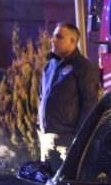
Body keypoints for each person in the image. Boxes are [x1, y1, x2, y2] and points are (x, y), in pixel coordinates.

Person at [38, 22, 100, 170]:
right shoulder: (49, 66)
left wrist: (77, 137)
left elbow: (90, 105)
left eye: (58, 37)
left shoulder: (84, 68)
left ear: (72, 41)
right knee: (48, 183)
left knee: (64, 184)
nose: (53, 40)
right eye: (53, 36)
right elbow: (42, 97)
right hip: (46, 137)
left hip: (67, 139)